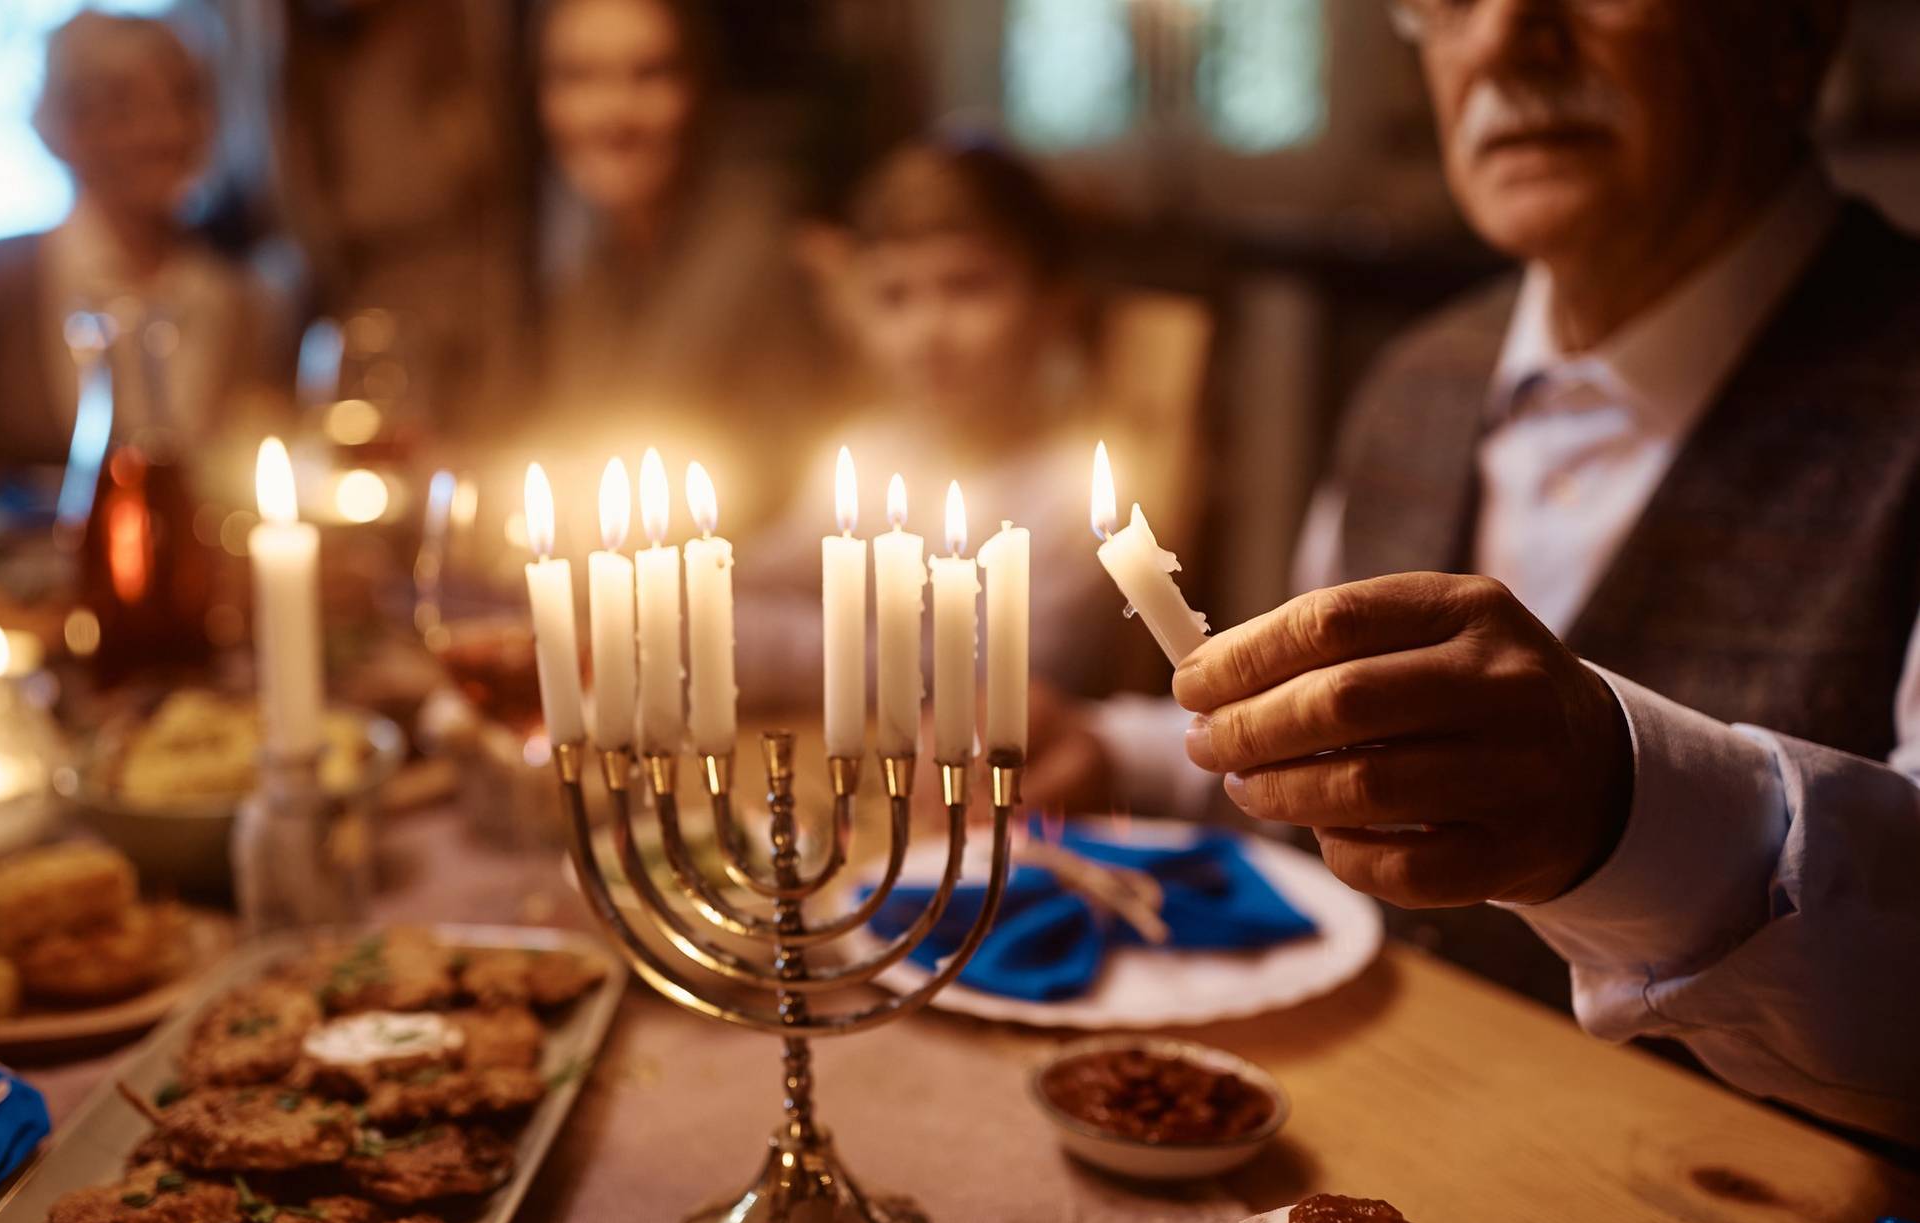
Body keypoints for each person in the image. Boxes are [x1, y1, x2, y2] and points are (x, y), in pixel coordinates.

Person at [1039, 0, 1920, 1145]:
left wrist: (1624, 808)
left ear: (1797, 34)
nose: (1504, 35)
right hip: (1366, 1126)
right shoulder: (1419, 375)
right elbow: (1348, 744)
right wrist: (1113, 750)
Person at [736, 138, 1186, 709]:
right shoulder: (865, 454)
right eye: (894, 297)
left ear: (1055, 303)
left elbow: (1006, 669)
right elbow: (751, 576)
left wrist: (753, 646)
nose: (929, 333)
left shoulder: (1082, 493)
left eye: (967, 287)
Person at [0, 12, 284, 485]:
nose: (166, 130)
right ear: (62, 127)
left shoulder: (241, 296)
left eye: (186, 99)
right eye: (123, 109)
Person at [523, 0, 832, 507]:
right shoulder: (588, 269)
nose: (612, 112)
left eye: (649, 75)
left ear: (699, 88)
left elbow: (777, 504)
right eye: (578, 78)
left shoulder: (759, 255)